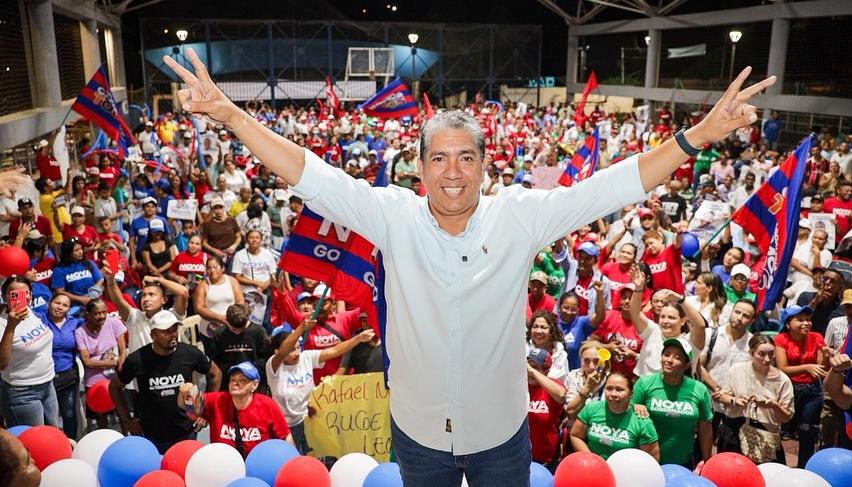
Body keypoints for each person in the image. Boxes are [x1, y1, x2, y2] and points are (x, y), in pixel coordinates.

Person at [164, 51, 773, 484]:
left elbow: (614, 185)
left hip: (499, 437)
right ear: (420, 168)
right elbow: (306, 172)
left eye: (465, 158)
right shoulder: (390, 215)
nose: (452, 172)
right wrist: (231, 115)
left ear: (484, 165)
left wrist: (700, 134)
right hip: (420, 436)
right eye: (438, 159)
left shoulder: (521, 217)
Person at [109, 310, 221, 453]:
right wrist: (127, 420)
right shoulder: (137, 359)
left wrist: (206, 411)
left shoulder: (190, 353)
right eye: (166, 331)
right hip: (149, 434)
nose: (172, 334)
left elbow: (216, 374)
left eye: (174, 329)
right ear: (153, 335)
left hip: (185, 431)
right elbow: (114, 388)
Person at [267, 319, 376, 454]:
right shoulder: (273, 366)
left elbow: (334, 351)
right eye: (291, 350)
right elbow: (284, 351)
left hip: (310, 421)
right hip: (286, 428)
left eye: (297, 348)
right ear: (277, 352)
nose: (296, 353)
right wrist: (301, 327)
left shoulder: (306, 357)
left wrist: (358, 339)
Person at [178, 361, 294, 457]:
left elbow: (285, 436)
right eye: (232, 379)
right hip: (224, 465)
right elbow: (188, 407)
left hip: (257, 466)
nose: (235, 383)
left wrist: (291, 460)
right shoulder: (217, 400)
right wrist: (186, 394)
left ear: (254, 385)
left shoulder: (267, 405)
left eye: (243, 380)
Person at [631, 337, 714, 468]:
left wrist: (708, 461)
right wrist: (635, 406)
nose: (669, 360)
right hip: (646, 460)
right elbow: (628, 418)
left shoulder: (699, 389)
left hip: (682, 461)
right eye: (666, 354)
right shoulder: (644, 384)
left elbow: (705, 429)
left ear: (687, 365)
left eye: (677, 357)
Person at [715, 335, 794, 462]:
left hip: (765, 437)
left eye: (771, 354)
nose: (767, 359)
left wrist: (773, 405)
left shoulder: (782, 380)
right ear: (751, 353)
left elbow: (786, 417)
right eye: (761, 354)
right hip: (735, 431)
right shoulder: (737, 370)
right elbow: (723, 396)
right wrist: (735, 401)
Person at [0, 276, 59, 427]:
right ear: (4, 297)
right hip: (22, 392)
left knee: (54, 434)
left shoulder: (32, 313)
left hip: (48, 385)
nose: (21, 297)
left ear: (31, 295)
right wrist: (11, 327)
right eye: (14, 294)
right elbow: (2, 363)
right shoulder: (2, 323)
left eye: (25, 292)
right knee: (33, 444)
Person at [774, 305, 828, 467]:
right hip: (788, 390)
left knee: (807, 432)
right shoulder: (781, 339)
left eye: (808, 320)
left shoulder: (816, 337)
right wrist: (806, 367)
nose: (806, 323)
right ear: (788, 323)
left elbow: (820, 368)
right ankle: (779, 466)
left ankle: (804, 468)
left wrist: (825, 356)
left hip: (812, 391)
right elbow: (782, 369)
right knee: (781, 430)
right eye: (800, 320)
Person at [629, 268, 707, 376]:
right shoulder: (652, 330)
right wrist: (638, 289)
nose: (665, 321)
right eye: (663, 317)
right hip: (644, 390)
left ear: (683, 320)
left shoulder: (689, 341)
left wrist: (680, 299)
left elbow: (700, 326)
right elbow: (634, 312)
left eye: (671, 318)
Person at [570, 372, 660, 461]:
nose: (613, 394)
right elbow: (576, 435)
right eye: (609, 389)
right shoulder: (591, 408)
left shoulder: (642, 422)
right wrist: (592, 460)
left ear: (631, 394)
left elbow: (652, 460)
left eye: (619, 390)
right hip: (593, 470)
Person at [75, 298, 127, 429]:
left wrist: (120, 366)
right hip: (94, 381)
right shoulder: (80, 332)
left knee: (122, 412)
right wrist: (113, 362)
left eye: (104, 312)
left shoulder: (114, 323)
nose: (102, 316)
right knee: (100, 415)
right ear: (88, 314)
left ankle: (126, 435)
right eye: (97, 313)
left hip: (115, 377)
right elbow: (87, 362)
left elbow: (122, 350)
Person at [38, 294, 83, 438]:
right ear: (49, 303)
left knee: (69, 413)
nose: (60, 307)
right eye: (57, 303)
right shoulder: (39, 319)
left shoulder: (75, 323)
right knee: (48, 415)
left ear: (69, 309)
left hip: (67, 375)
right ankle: (51, 445)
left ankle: (71, 444)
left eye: (65, 305)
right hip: (44, 376)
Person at [209, 304, 271, 390]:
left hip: (253, 378)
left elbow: (266, 358)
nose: (237, 332)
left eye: (242, 329)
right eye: (233, 329)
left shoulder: (259, 332)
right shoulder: (220, 334)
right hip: (228, 379)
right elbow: (215, 360)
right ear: (226, 321)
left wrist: (248, 370)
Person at [525, 348, 566, 471]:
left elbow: (560, 395)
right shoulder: (518, 385)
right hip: (518, 456)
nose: (529, 372)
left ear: (546, 371)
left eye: (535, 367)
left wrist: (532, 371)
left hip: (543, 460)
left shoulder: (553, 386)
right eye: (528, 366)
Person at [194, 254, 244, 354]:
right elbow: (199, 308)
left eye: (215, 267)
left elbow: (240, 301)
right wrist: (220, 318)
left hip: (232, 327)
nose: (212, 270)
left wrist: (231, 317)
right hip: (210, 331)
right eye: (209, 268)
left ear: (222, 268)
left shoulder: (232, 281)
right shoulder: (202, 285)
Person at [231, 229, 277, 327]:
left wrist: (263, 286)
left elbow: (273, 274)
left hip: (265, 291)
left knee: (265, 320)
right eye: (251, 238)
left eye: (257, 238)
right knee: (248, 320)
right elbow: (237, 277)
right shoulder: (240, 255)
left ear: (261, 240)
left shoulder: (267, 254)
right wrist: (256, 283)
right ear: (247, 240)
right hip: (246, 293)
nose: (254, 240)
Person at [525, 311, 569, 384]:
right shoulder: (523, 350)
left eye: (543, 327)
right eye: (535, 327)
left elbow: (561, 381)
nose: (538, 331)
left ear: (552, 331)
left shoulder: (561, 355)